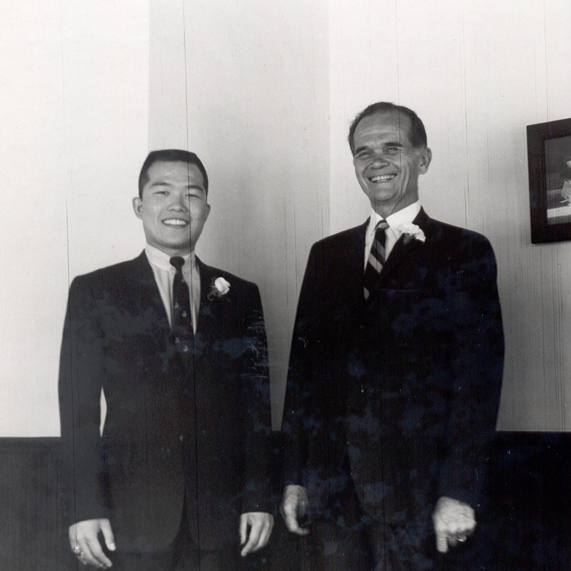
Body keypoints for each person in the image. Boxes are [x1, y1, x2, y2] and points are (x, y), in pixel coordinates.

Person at [280, 103, 504, 570]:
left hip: (417, 497)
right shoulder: (326, 255)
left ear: (423, 159)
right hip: (330, 496)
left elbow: (477, 384)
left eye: (391, 148)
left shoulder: (465, 251)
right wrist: (294, 477)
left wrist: (459, 491)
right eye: (363, 152)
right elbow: (303, 377)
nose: (375, 161)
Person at [59, 149, 274, 570]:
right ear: (139, 206)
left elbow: (256, 409)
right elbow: (78, 411)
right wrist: (85, 507)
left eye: (192, 195)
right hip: (131, 516)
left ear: (207, 210)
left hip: (222, 517)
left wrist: (258, 499)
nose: (178, 205)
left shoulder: (242, 295)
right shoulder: (95, 291)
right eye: (162, 192)